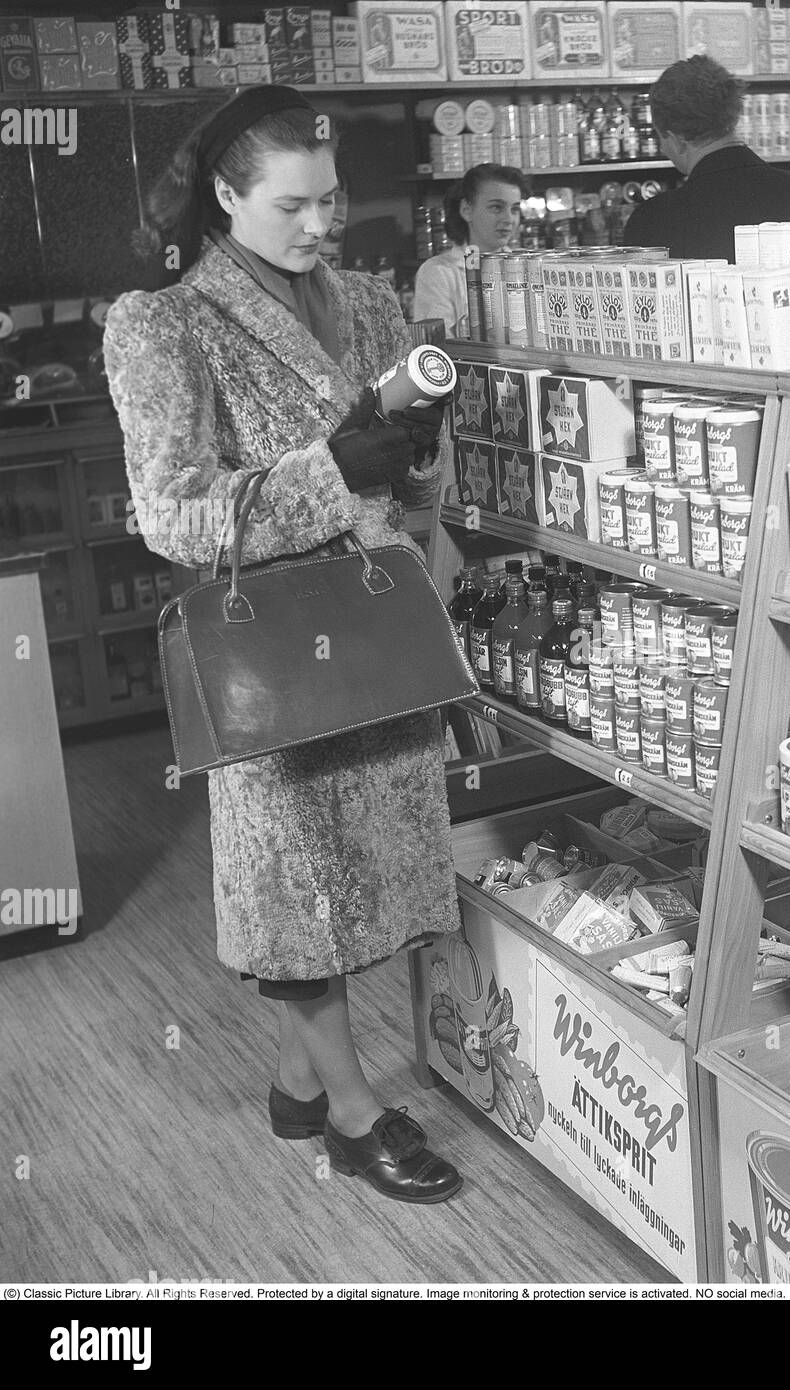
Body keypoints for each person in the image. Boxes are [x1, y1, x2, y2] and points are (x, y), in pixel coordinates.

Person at [103, 86, 464, 1205]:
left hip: (381, 622)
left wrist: (412, 452)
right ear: (224, 195)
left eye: (332, 197)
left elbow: (410, 465)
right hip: (276, 654)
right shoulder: (162, 322)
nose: (322, 224)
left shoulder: (363, 299)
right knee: (303, 897)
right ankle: (354, 1119)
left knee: (378, 878)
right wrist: (331, 471)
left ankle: (300, 1084)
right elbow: (173, 514)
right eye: (293, 204)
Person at [622, 55, 790, 262]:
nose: (662, 148)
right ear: (732, 118)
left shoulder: (652, 220)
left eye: (660, 137)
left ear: (676, 139)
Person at [412, 164, 529, 335]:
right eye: (496, 207)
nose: (508, 219)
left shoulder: (526, 266)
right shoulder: (439, 273)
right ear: (466, 210)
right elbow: (438, 348)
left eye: (515, 209)